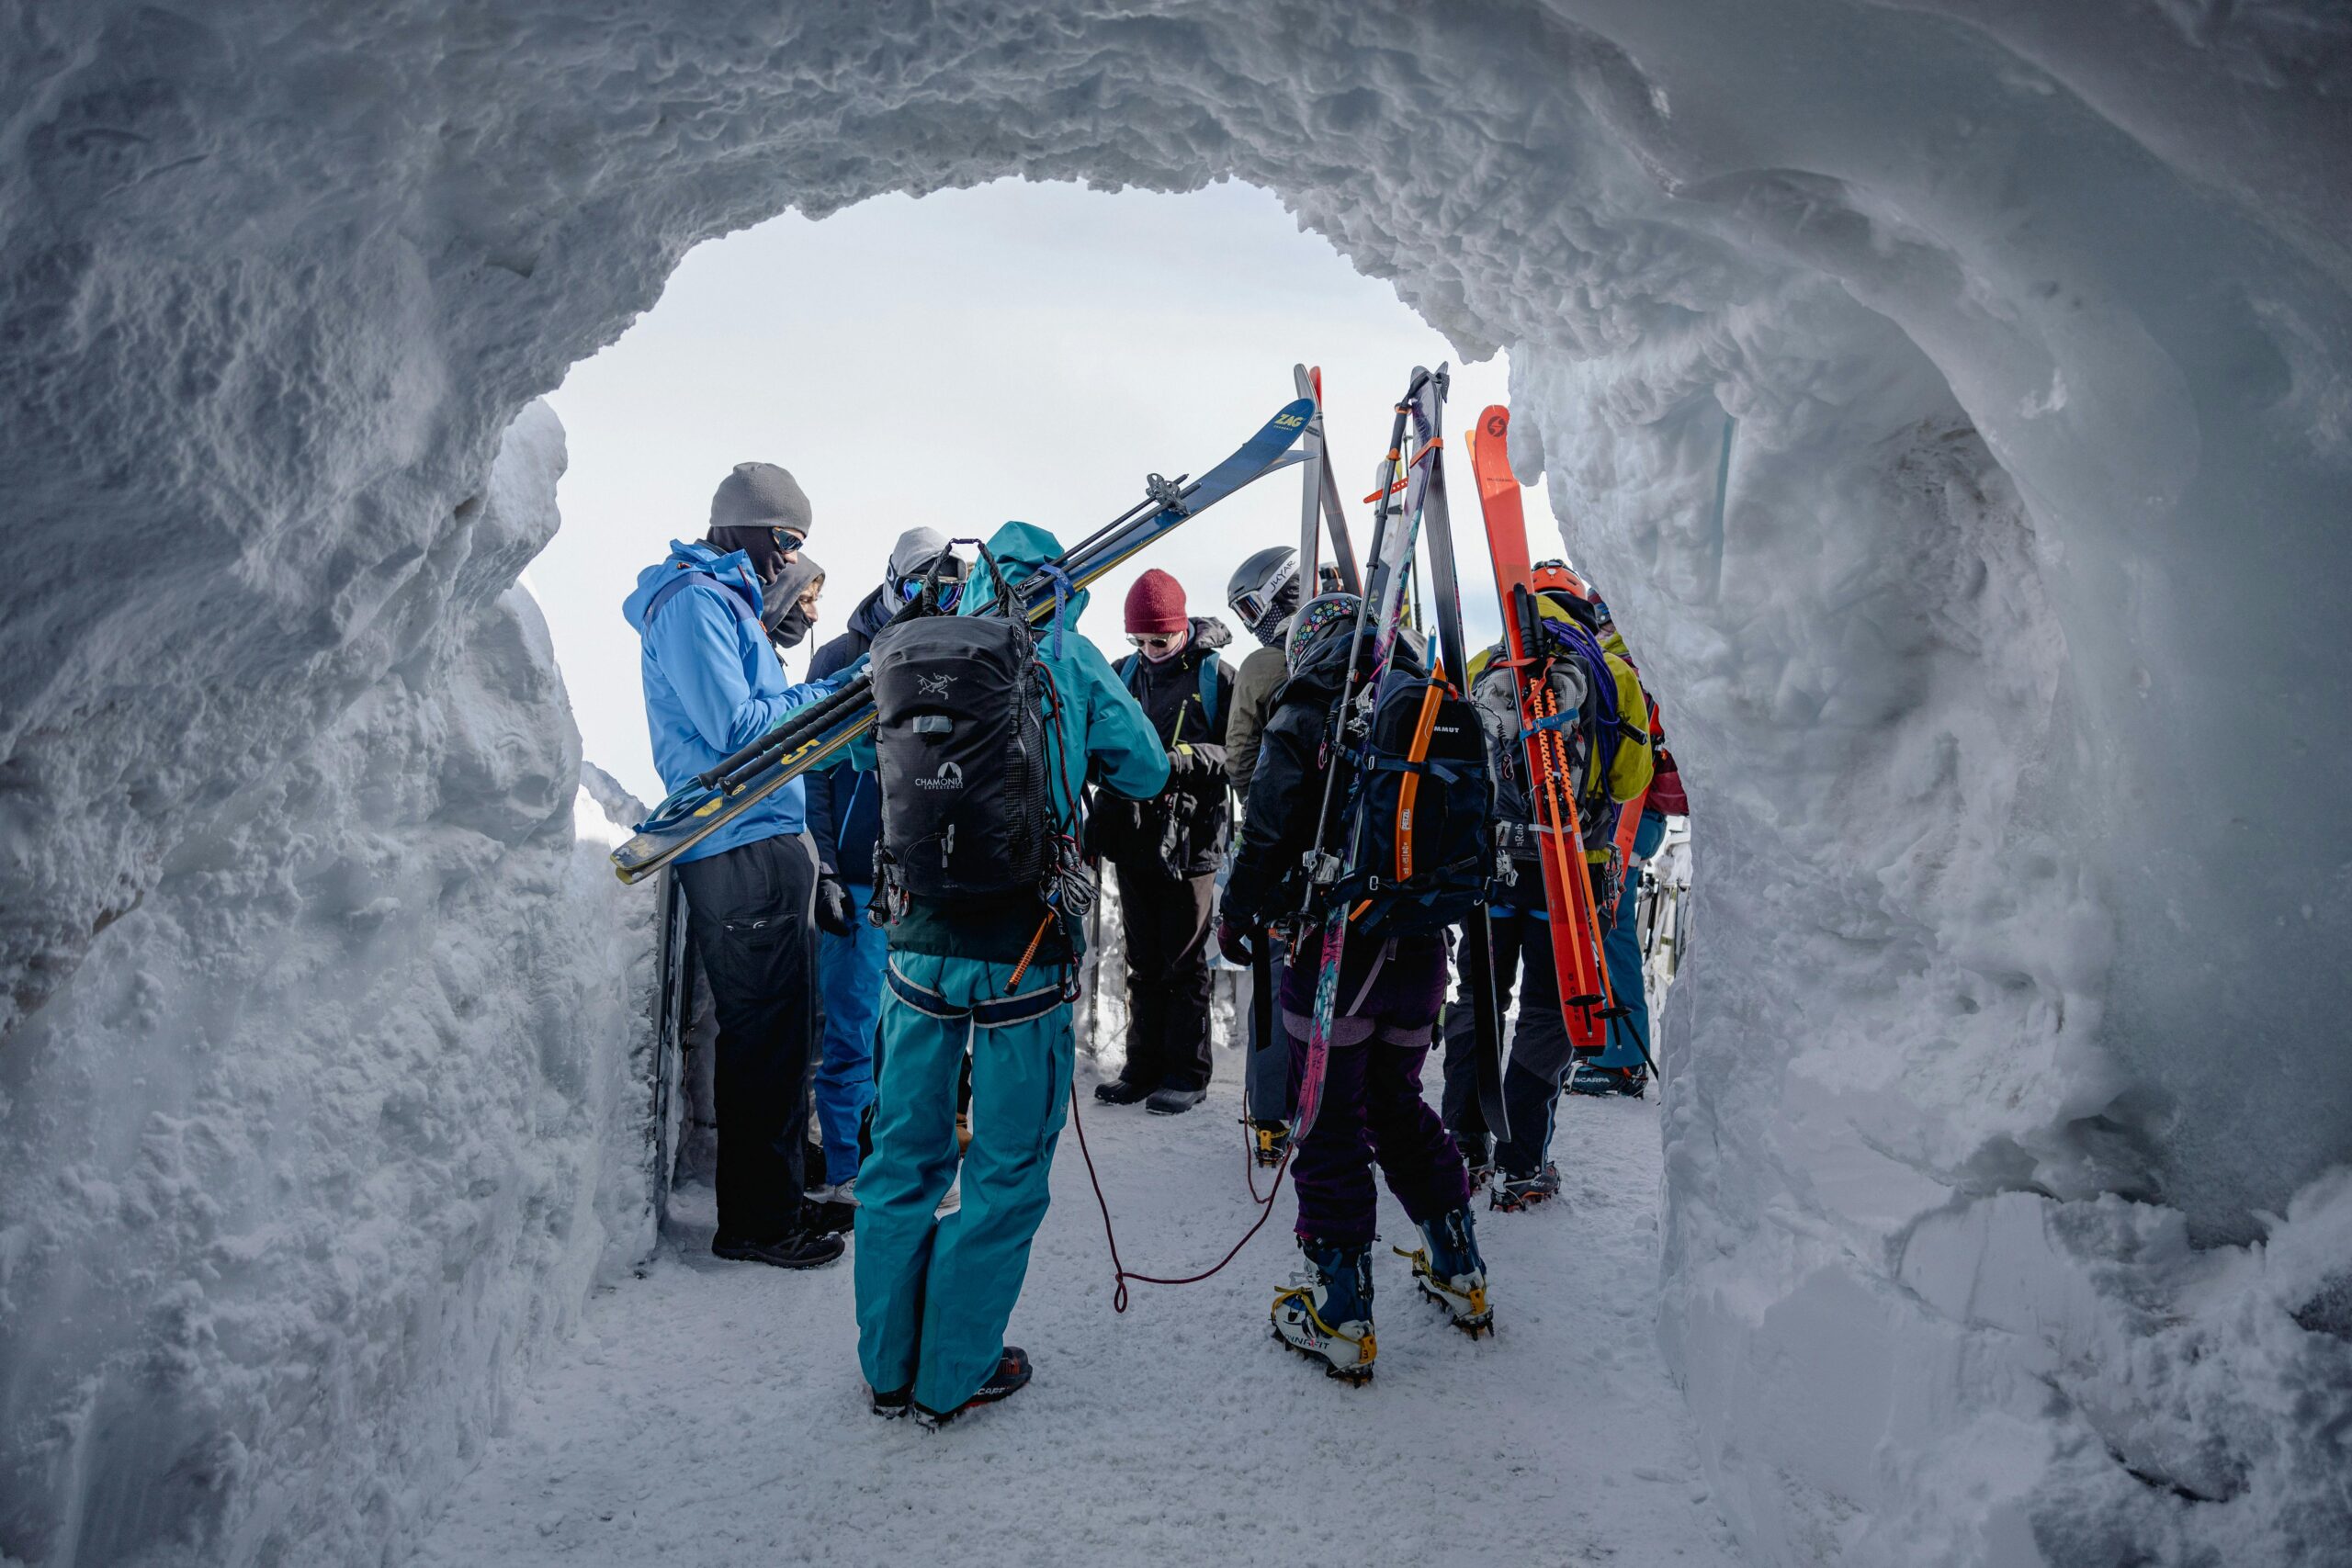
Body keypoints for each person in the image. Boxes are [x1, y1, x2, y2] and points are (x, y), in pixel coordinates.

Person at [852, 521, 1166, 1427]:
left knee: (902, 1154)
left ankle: (887, 1368)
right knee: (1005, 1164)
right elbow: (1144, 772)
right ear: (1062, 583)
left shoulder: (914, 649)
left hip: (916, 942)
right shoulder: (1066, 656)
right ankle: (954, 1372)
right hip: (1021, 949)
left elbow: (848, 752)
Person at [1217, 592, 1490, 1382]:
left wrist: (1241, 912)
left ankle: (1339, 1310)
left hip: (1342, 948)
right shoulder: (1430, 701)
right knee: (1396, 1106)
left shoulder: (1316, 703)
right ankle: (1459, 1263)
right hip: (1420, 950)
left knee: (1327, 1116)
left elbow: (1268, 821)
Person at [622, 460, 855, 1270]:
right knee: (760, 1036)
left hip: (766, 836)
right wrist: (841, 691)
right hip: (733, 843)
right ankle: (754, 1221)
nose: (790, 560)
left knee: (789, 1032)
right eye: (786, 541)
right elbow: (738, 729)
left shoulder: (730, 604)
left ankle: (781, 1193)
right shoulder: (691, 602)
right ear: (747, 528)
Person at [1439, 569, 1651, 1208]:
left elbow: (1459, 760)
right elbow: (1627, 778)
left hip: (1493, 864)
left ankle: (1463, 1143)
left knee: (1478, 997)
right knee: (1549, 1010)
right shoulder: (1613, 675)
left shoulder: (1484, 661)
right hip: (1569, 872)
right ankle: (1522, 1162)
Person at [801, 528, 952, 1227]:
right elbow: (815, 772)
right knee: (855, 1028)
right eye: (922, 583)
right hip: (861, 881)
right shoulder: (840, 657)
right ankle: (842, 1169)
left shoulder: (945, 655)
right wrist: (826, 866)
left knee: (912, 1034)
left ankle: (898, 1167)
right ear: (895, 579)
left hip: (917, 882)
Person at [1089, 569, 1234, 1116]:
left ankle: (1187, 1073)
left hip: (1193, 838)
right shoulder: (1124, 673)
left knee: (1184, 959)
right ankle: (1142, 1067)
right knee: (1143, 959)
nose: (1148, 650)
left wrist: (1186, 758)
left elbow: (1241, 752)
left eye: (1159, 639)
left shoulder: (1218, 675)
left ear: (1181, 628)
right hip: (1135, 835)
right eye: (1139, 640)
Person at [1223, 545, 1305, 1162]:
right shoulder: (1376, 640)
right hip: (1363, 846)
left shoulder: (1261, 665)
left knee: (1276, 982)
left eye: (1251, 606)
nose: (1251, 620)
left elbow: (1241, 761)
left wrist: (1266, 807)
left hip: (1283, 852)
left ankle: (1272, 1118)